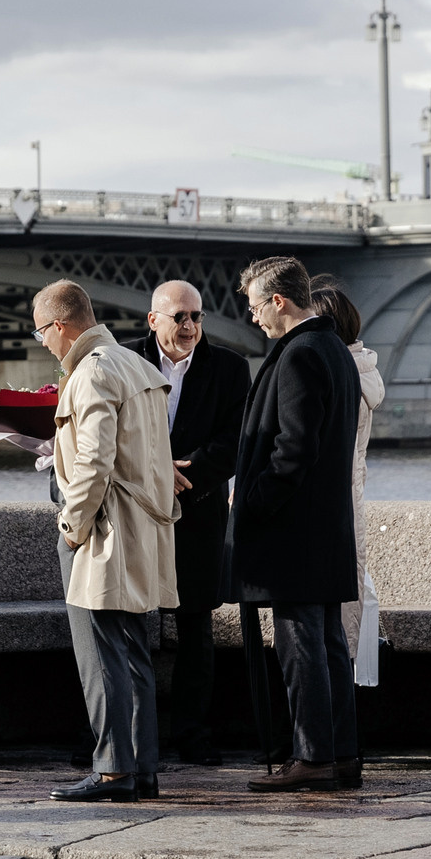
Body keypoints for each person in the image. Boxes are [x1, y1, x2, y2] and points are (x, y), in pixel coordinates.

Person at [34, 280, 178, 804]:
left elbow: (93, 464)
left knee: (98, 651)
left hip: (103, 531)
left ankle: (113, 770)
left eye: (42, 331)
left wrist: (72, 526)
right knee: (134, 650)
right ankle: (142, 767)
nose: (44, 342)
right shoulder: (138, 366)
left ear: (62, 325)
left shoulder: (91, 372)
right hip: (143, 527)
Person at [228, 254, 361, 794]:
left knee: (301, 646)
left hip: (294, 533)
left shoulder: (301, 353)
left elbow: (293, 451)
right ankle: (340, 754)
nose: (255, 317)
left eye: (257, 306)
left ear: (278, 301)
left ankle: (312, 756)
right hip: (324, 529)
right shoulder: (334, 350)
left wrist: (250, 503)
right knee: (328, 645)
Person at [141, 280, 247, 766]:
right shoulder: (123, 361)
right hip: (136, 512)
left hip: (198, 512)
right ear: (153, 320)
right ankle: (125, 733)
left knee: (195, 628)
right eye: (180, 317)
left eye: (197, 317)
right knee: (127, 623)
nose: (190, 326)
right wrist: (155, 473)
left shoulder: (229, 368)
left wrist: (191, 475)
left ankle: (193, 734)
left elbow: (236, 438)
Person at [311, 276, 385, 727]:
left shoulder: (339, 375)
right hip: (350, 505)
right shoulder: (363, 373)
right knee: (341, 626)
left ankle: (330, 740)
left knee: (329, 634)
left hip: (329, 511)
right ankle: (340, 741)